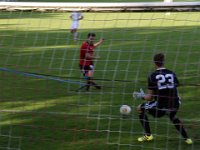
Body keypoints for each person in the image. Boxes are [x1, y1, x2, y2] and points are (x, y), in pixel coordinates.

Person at [133, 53, 193, 144]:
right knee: (172, 116)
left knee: (140, 108)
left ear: (154, 63)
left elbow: (149, 98)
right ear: (163, 62)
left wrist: (140, 96)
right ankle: (187, 139)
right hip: (175, 103)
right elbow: (175, 87)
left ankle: (148, 135)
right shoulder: (172, 73)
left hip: (161, 106)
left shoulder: (152, 76)